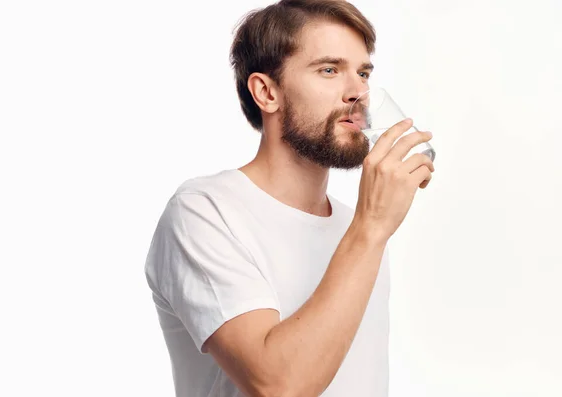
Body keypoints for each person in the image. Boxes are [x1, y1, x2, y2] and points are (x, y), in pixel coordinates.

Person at [144, 0, 435, 395]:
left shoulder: (360, 226)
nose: (359, 92)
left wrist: (369, 229)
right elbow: (279, 385)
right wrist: (371, 229)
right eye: (329, 70)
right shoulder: (204, 212)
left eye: (363, 72)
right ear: (267, 92)